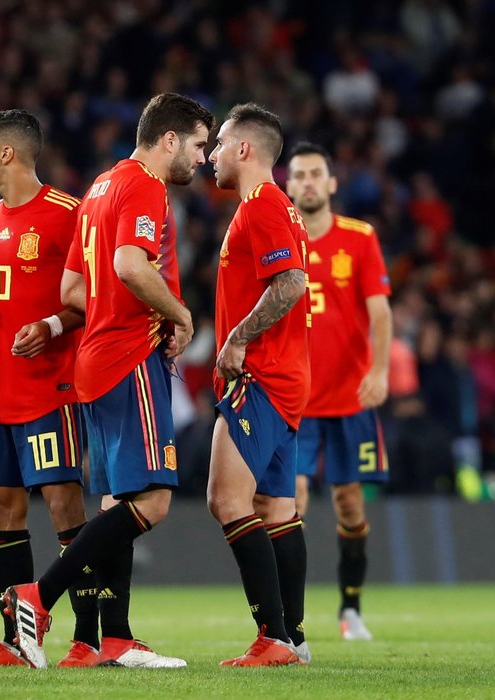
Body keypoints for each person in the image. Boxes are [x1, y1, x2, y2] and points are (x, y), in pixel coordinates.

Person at [3, 93, 214, 669]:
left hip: (93, 362)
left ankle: (111, 637)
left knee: (119, 500)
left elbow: (73, 289)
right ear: (168, 139)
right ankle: (38, 597)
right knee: (154, 501)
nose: (201, 158)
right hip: (129, 359)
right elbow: (128, 265)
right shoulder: (146, 185)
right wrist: (178, 314)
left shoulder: (99, 187)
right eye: (197, 145)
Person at [0, 109, 98, 668]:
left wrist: (55, 325)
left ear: (7, 153)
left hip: (49, 389)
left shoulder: (68, 214)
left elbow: (96, 298)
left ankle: (87, 638)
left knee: (63, 506)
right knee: (1, 510)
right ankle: (17, 641)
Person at [206, 102, 310, 666]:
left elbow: (290, 282)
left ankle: (272, 637)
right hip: (287, 378)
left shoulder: (262, 207)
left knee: (225, 498)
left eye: (220, 143)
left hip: (262, 377)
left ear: (244, 149)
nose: (213, 156)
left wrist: (237, 338)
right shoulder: (280, 209)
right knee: (275, 509)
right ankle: (292, 637)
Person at [285, 141, 392, 641]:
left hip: (351, 398)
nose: (307, 182)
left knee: (350, 502)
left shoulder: (360, 238)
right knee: (294, 500)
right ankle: (290, 617)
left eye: (315, 174)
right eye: (299, 175)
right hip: (298, 400)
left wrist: (381, 370)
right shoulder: (280, 239)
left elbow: (380, 312)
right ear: (288, 186)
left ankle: (350, 609)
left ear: (330, 183)